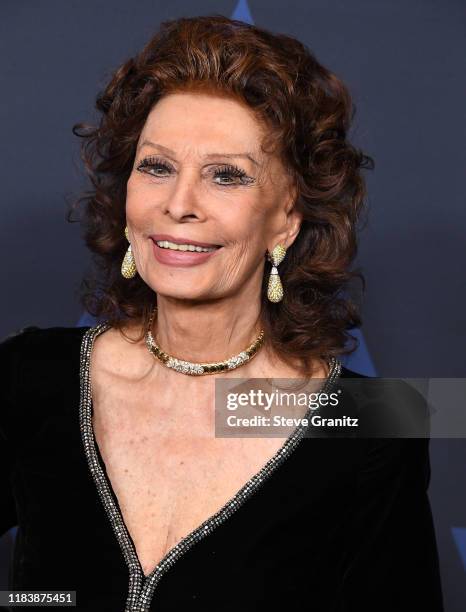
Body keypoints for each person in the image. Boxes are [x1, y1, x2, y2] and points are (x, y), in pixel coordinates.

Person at [0, 15, 443, 612]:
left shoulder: (374, 421)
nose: (178, 205)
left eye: (226, 176)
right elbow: (44, 595)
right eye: (156, 167)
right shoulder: (31, 374)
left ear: (286, 219)